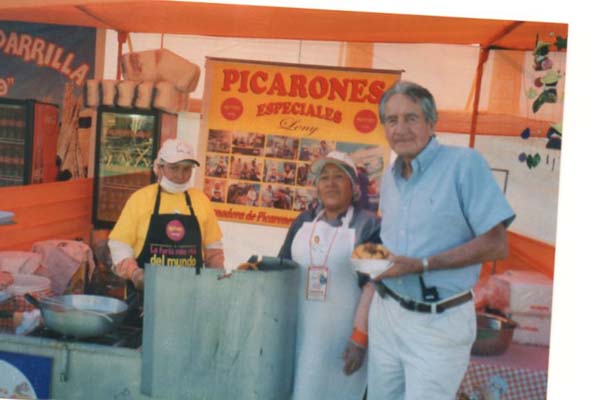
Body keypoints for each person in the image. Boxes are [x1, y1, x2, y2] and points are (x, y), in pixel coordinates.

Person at [367, 81, 515, 400]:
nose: (400, 129)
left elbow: (497, 244)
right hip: (386, 313)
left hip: (438, 321)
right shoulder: (390, 176)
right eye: (392, 120)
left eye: (411, 118)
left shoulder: (464, 164)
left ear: (432, 124)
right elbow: (397, 243)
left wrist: (421, 265)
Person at [278, 151, 381, 400]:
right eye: (324, 178)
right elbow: (282, 269)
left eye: (339, 177)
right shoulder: (302, 222)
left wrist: (360, 337)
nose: (330, 183)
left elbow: (376, 283)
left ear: (353, 187)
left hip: (344, 341)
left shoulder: (369, 225)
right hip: (299, 335)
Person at [108, 139, 225, 317]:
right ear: (160, 167)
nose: (181, 175)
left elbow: (213, 249)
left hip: (191, 299)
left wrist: (218, 281)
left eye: (187, 169)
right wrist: (135, 274)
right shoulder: (140, 199)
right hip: (144, 300)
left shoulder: (201, 201)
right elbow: (119, 245)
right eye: (174, 168)